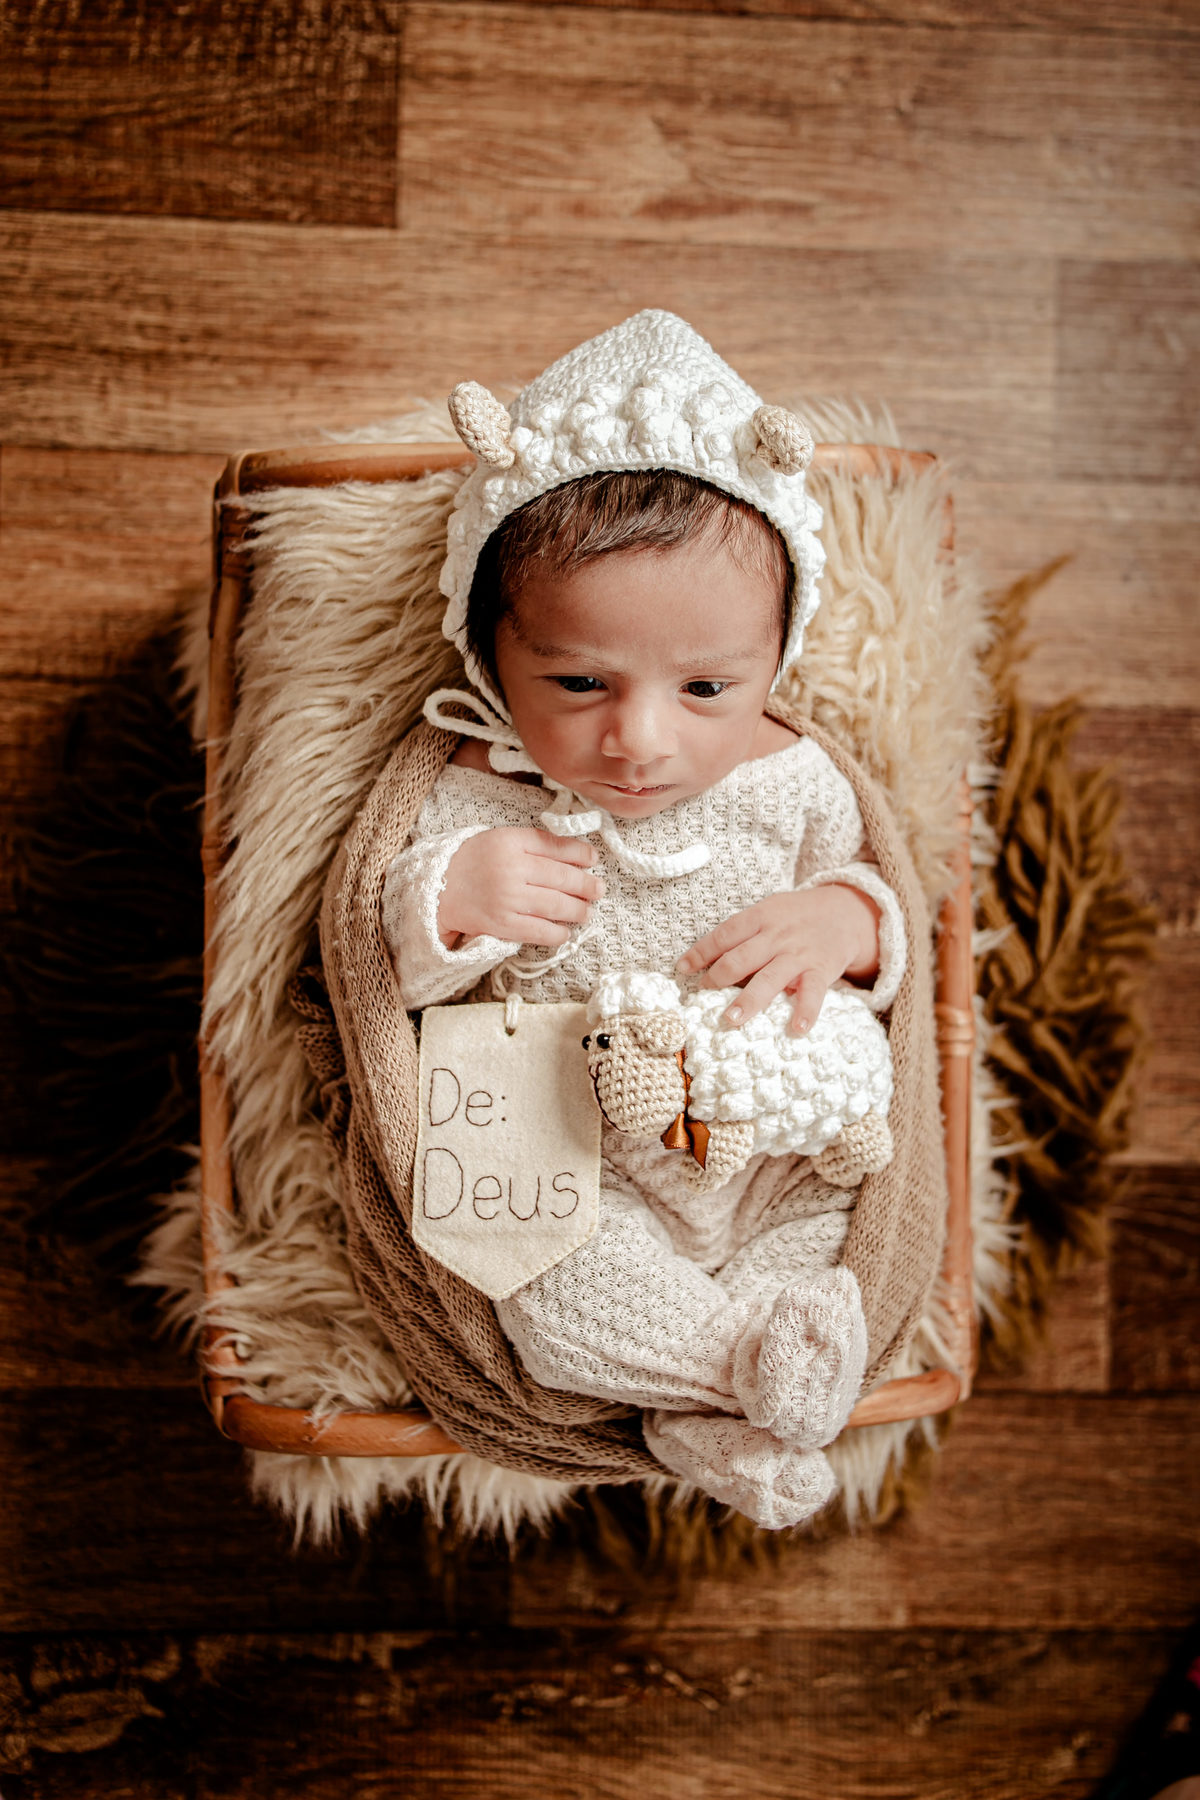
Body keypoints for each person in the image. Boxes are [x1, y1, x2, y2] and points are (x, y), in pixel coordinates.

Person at [380, 311, 908, 1528]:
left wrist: (844, 923)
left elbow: (889, 912)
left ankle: (716, 1399)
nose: (640, 738)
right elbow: (379, 968)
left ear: (778, 661)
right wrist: (451, 903)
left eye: (707, 688)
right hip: (566, 1152)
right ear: (489, 650)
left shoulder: (794, 780)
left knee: (828, 1252)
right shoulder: (477, 786)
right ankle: (742, 1384)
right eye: (578, 682)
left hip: (774, 1149)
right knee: (543, 1296)